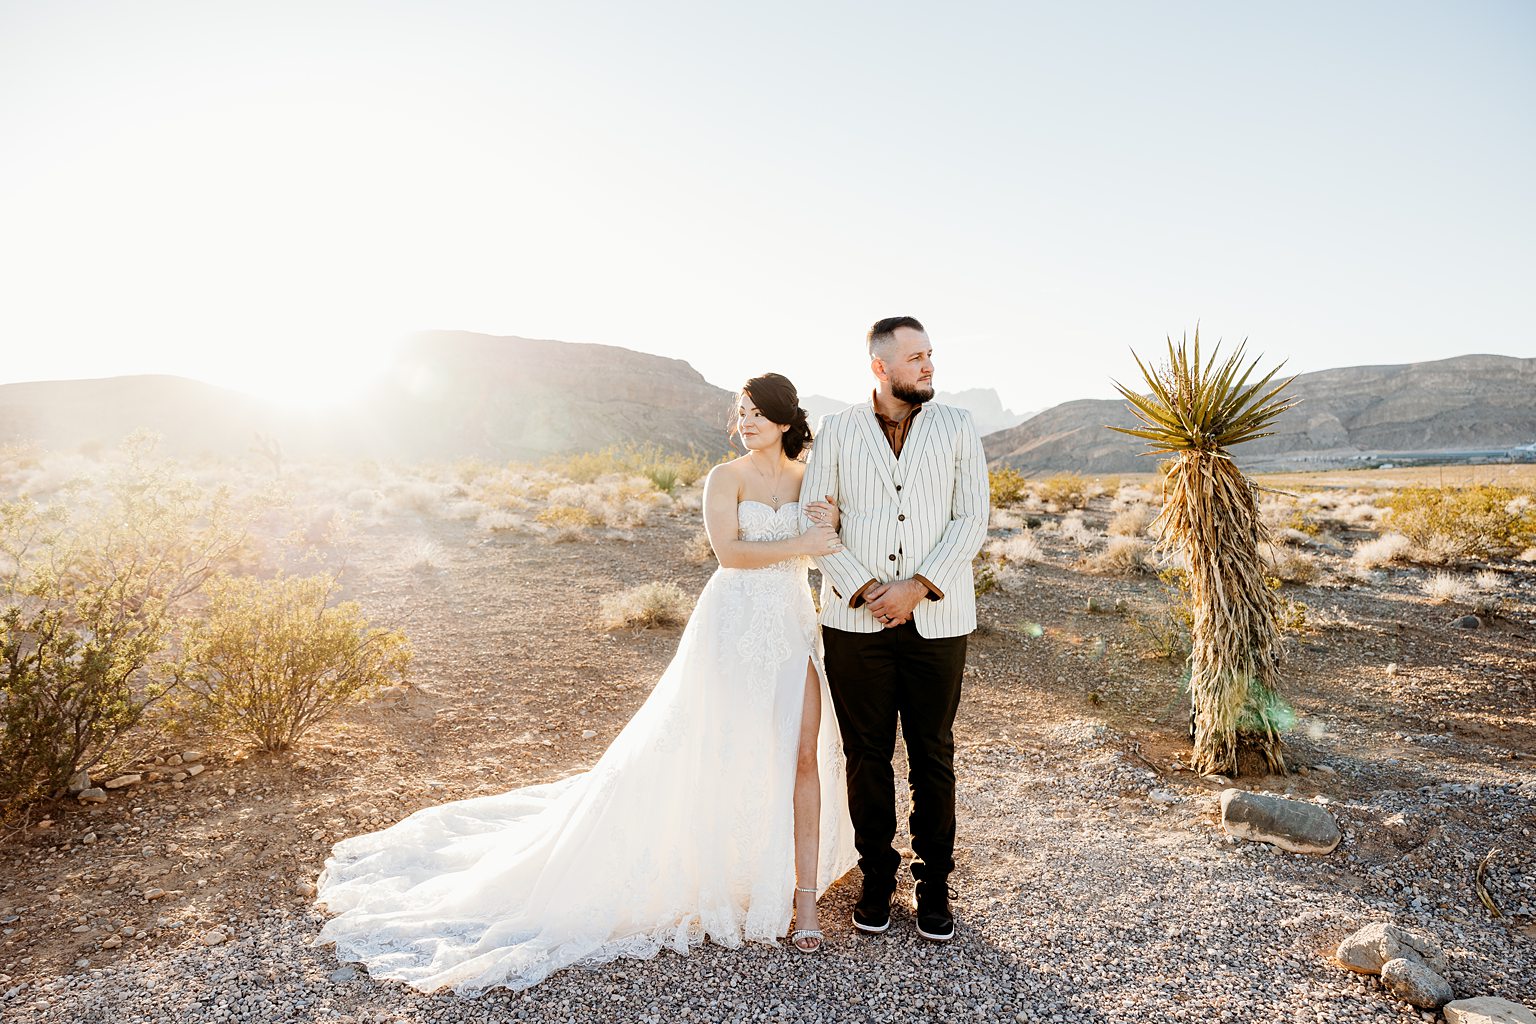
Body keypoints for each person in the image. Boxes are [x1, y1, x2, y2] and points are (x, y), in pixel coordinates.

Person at [312, 372, 857, 995]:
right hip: (732, 626)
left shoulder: (810, 478)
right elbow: (729, 553)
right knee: (717, 747)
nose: (747, 420)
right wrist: (803, 540)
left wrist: (824, 536)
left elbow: (826, 546)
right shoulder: (724, 478)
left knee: (803, 755)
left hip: (790, 625)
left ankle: (804, 901)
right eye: (741, 411)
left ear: (786, 419)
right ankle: (719, 871)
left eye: (759, 411)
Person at [799, 317, 989, 943]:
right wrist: (863, 587)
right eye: (914, 358)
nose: (928, 366)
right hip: (855, 621)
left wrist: (917, 586)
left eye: (930, 354)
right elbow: (815, 519)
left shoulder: (959, 426)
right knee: (866, 755)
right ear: (880, 368)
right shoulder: (837, 430)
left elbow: (972, 518)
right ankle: (877, 873)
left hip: (940, 616)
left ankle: (935, 882)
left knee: (934, 754)